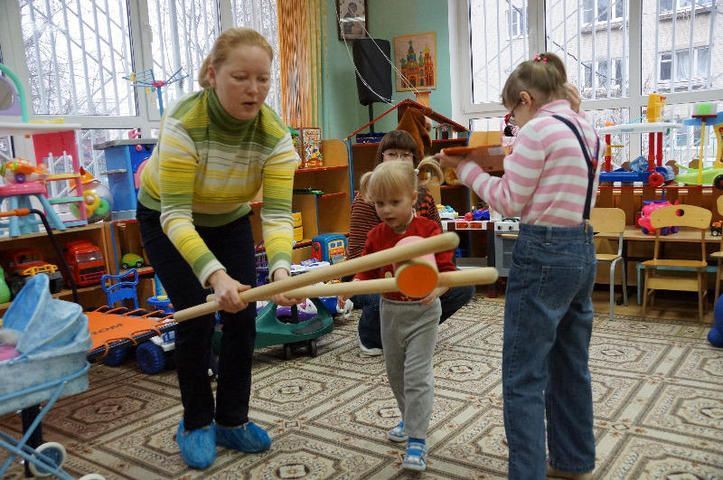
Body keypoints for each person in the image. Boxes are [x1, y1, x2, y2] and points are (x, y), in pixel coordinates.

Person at [136, 27, 300, 470]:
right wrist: (216, 276)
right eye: (240, 77)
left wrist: (282, 271)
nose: (254, 89)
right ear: (212, 74)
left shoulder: (275, 136)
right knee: (197, 315)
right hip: (167, 218)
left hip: (227, 216)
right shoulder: (184, 124)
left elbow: (278, 215)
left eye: (263, 78)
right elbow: (175, 217)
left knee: (243, 313)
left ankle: (231, 419)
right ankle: (195, 422)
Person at [436, 52, 597, 480]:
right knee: (570, 363)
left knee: (523, 372)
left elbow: (507, 200)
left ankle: (526, 472)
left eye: (512, 113)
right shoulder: (585, 126)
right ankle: (572, 459)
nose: (513, 123)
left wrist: (466, 169)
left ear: (525, 99)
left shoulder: (537, 130)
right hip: (582, 246)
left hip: (544, 250)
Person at [340, 160, 456, 472]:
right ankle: (408, 418)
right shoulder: (377, 235)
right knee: (395, 373)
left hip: (423, 312)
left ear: (413, 198)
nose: (386, 210)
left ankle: (417, 438)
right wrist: (351, 286)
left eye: (395, 202)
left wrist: (438, 289)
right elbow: (366, 270)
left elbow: (447, 273)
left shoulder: (429, 230)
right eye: (379, 203)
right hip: (390, 312)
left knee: (417, 375)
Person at [348, 130, 475, 356]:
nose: (398, 160)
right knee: (388, 297)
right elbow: (359, 257)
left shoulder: (423, 197)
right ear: (381, 158)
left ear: (414, 161)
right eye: (392, 154)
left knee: (461, 286)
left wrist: (436, 280)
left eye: (405, 155)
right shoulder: (369, 198)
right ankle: (370, 334)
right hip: (377, 275)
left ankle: (416, 330)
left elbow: (441, 250)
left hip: (417, 271)